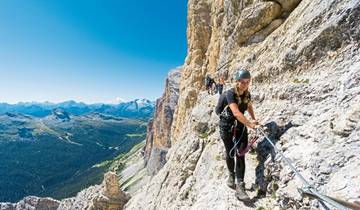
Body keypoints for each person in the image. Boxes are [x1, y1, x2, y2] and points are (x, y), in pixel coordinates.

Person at [216, 68, 259, 201]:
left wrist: (253, 118)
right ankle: (231, 175)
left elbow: (249, 106)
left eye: (248, 81)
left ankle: (240, 186)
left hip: (239, 125)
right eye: (243, 82)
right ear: (237, 81)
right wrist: (250, 124)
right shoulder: (230, 94)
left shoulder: (247, 94)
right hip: (227, 126)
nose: (246, 84)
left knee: (240, 153)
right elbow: (236, 112)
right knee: (230, 152)